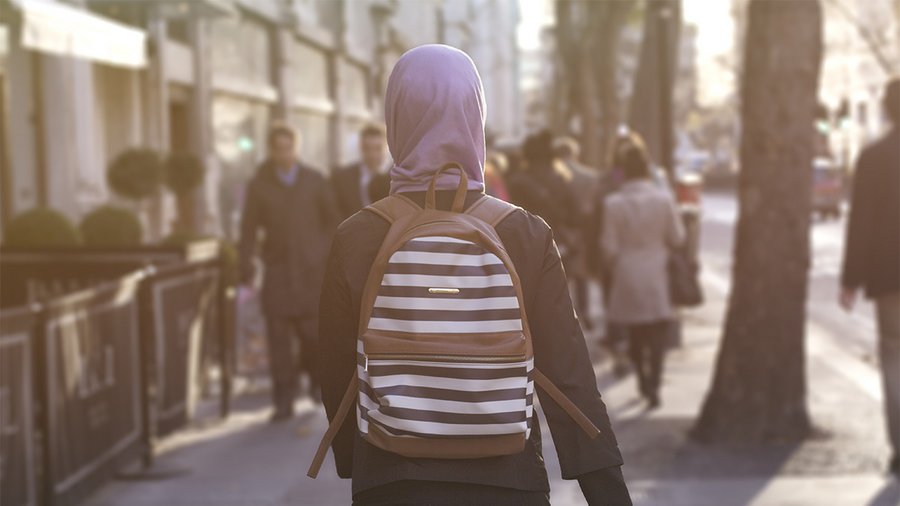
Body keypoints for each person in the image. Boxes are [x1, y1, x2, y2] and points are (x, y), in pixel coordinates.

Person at [318, 44, 631, 505]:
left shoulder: (358, 235)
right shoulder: (523, 232)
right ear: (475, 115)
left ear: (396, 118)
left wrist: (354, 460)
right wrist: (608, 496)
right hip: (508, 478)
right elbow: (569, 376)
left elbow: (335, 367)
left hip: (392, 478)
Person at [239, 123, 339, 421]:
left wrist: (323, 253)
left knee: (312, 336)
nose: (284, 154)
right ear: (271, 150)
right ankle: (283, 398)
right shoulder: (260, 185)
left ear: (297, 148)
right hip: (279, 272)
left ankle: (315, 381)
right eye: (278, 148)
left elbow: (332, 221)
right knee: (279, 339)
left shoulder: (315, 180)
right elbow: (248, 229)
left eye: (289, 147)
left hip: (311, 273)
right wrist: (245, 264)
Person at [839, 77, 900, 477]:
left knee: (894, 359)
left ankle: (899, 446)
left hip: (889, 278)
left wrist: (850, 279)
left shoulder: (874, 157)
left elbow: (861, 222)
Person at [601, 133, 685, 409]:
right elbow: (677, 237)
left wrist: (616, 264)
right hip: (657, 270)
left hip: (627, 271)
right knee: (658, 330)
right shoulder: (663, 200)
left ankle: (642, 379)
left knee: (635, 333)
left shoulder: (613, 204)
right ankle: (656, 383)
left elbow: (608, 246)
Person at [554, 136, 599, 329]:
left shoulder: (554, 175)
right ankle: (585, 313)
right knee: (581, 276)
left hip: (558, 230)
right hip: (581, 231)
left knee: (559, 276)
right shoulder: (589, 176)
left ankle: (562, 316)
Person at [332, 123, 390, 221]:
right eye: (367, 148)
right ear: (361, 148)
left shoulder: (397, 178)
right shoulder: (342, 179)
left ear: (387, 148)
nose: (372, 154)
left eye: (378, 148)